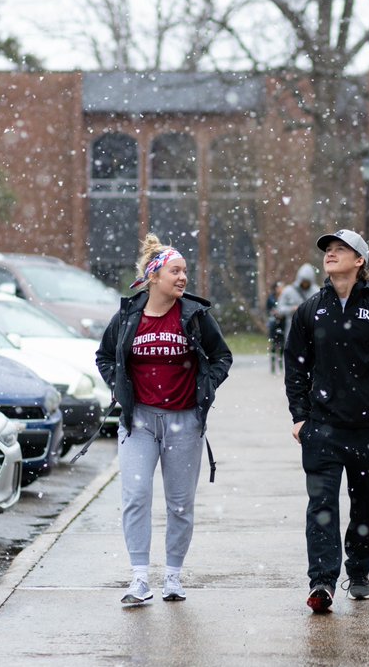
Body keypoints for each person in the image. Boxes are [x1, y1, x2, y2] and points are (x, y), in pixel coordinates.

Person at [95, 234, 233, 605]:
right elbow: (105, 356)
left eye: (185, 270)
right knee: (136, 497)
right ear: (154, 276)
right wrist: (118, 386)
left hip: (184, 423)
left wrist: (207, 385)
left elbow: (222, 357)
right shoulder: (129, 316)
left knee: (179, 503)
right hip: (138, 423)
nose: (183, 277)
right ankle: (139, 578)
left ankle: (173, 576)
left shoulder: (194, 315)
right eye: (175, 270)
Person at [284, 229, 369, 613]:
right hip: (323, 427)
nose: (330, 254)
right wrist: (299, 417)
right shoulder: (311, 310)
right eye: (328, 249)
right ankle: (322, 582)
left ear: (359, 261)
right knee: (321, 505)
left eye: (340, 249)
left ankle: (358, 572)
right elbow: (296, 366)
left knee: (366, 507)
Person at [275, 263, 319, 340]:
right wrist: (292, 309)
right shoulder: (288, 291)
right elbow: (279, 309)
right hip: (293, 328)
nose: (305, 284)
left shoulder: (317, 291)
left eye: (307, 282)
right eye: (303, 281)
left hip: (312, 329)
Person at [266, 280, 284, 373]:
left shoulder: (284, 297)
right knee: (273, 344)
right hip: (274, 324)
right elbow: (268, 310)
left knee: (282, 345)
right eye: (279, 287)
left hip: (282, 324)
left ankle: (280, 365)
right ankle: (273, 365)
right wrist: (274, 313)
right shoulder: (271, 298)